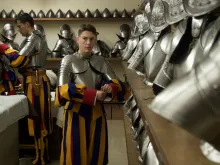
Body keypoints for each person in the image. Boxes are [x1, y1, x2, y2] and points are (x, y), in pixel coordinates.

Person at [55, 24, 125, 165]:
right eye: (84, 38)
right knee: (74, 156)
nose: (88, 43)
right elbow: (62, 91)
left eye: (92, 39)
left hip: (97, 114)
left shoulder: (100, 61)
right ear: (77, 39)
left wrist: (111, 87)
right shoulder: (68, 60)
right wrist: (92, 94)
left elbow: (119, 84)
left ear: (96, 40)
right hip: (75, 114)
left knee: (97, 155)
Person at [0, 13, 53, 165]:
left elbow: (17, 61)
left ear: (27, 24)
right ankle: (43, 156)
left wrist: (3, 47)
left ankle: (40, 158)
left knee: (38, 119)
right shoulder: (37, 37)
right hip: (36, 79)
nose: (19, 30)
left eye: (19, 26)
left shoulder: (33, 38)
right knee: (41, 118)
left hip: (35, 81)